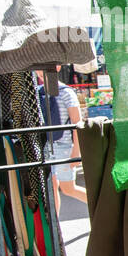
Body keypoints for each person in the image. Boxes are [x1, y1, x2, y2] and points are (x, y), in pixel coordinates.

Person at [36, 68, 86, 213]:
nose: (40, 72)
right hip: (46, 146)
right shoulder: (38, 92)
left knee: (68, 188)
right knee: (51, 187)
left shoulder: (66, 92)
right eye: (38, 69)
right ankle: (56, 227)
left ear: (57, 68)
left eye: (43, 68)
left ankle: (102, 209)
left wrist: (77, 152)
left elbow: (77, 123)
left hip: (63, 147)